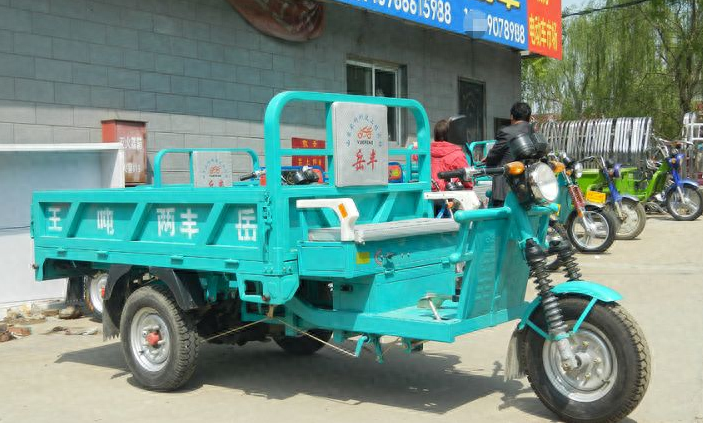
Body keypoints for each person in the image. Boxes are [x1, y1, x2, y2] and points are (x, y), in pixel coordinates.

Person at [484, 102, 532, 207]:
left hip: (505, 190)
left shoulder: (507, 132)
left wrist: (488, 161)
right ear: (529, 117)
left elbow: (493, 155)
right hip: (530, 189)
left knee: (500, 215)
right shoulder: (535, 132)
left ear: (512, 116)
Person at [430, 119, 473, 192]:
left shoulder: (425, 153)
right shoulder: (457, 154)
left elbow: (414, 156)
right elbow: (467, 181)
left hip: (429, 192)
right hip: (450, 194)